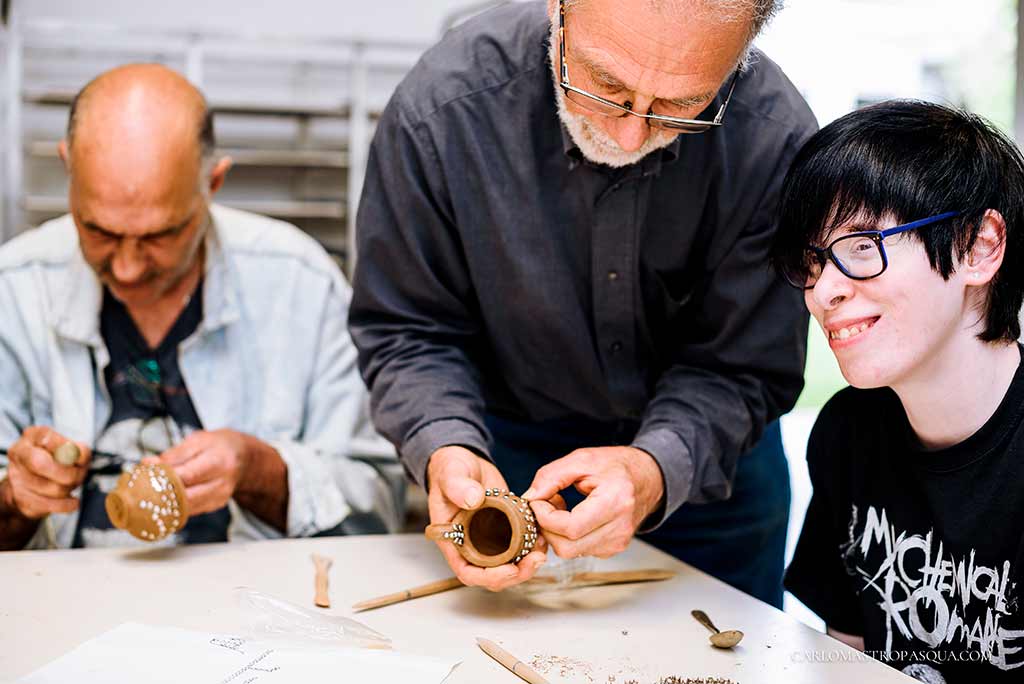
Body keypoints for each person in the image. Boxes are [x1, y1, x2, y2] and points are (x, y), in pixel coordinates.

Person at [350, 0, 816, 604]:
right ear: (557, 8)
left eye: (680, 106)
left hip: (707, 484)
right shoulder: (443, 112)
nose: (629, 134)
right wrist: (444, 444)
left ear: (741, 57)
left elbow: (743, 365)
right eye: (604, 84)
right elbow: (409, 329)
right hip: (507, 459)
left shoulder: (777, 143)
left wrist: (653, 469)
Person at [0, 64, 396, 550]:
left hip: (253, 607)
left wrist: (260, 471)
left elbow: (378, 508)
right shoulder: (14, 290)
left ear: (213, 183)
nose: (126, 268)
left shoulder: (299, 285)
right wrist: (15, 498)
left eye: (160, 236)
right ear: (67, 167)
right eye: (99, 231)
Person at [777, 101, 1024, 681]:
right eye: (813, 260)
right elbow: (847, 660)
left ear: (979, 246)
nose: (823, 291)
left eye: (863, 245)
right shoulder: (847, 432)